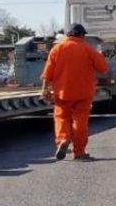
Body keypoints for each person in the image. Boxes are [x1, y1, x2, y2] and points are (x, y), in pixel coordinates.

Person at [41, 23, 108, 161]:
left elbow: (47, 73)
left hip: (62, 93)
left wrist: (44, 90)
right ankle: (79, 152)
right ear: (82, 35)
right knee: (80, 122)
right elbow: (103, 68)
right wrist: (100, 56)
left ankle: (63, 139)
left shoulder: (57, 49)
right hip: (84, 93)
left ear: (67, 35)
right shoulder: (88, 49)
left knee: (61, 118)